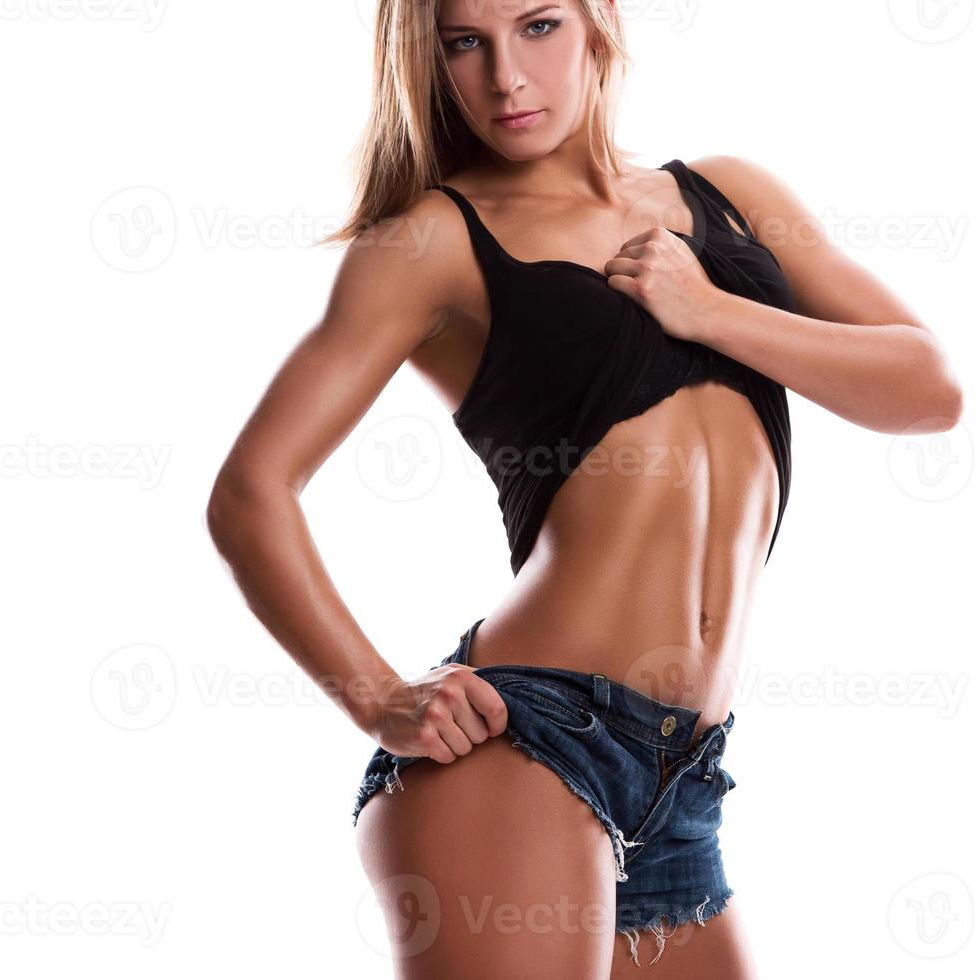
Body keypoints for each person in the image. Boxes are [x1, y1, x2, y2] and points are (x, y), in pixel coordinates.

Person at [206, 2, 963, 976]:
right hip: (530, 743)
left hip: (681, 782)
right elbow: (250, 490)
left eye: (536, 27)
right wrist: (379, 696)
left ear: (597, 22)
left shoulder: (727, 196)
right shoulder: (436, 240)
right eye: (464, 45)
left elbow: (926, 388)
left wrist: (709, 309)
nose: (506, 80)